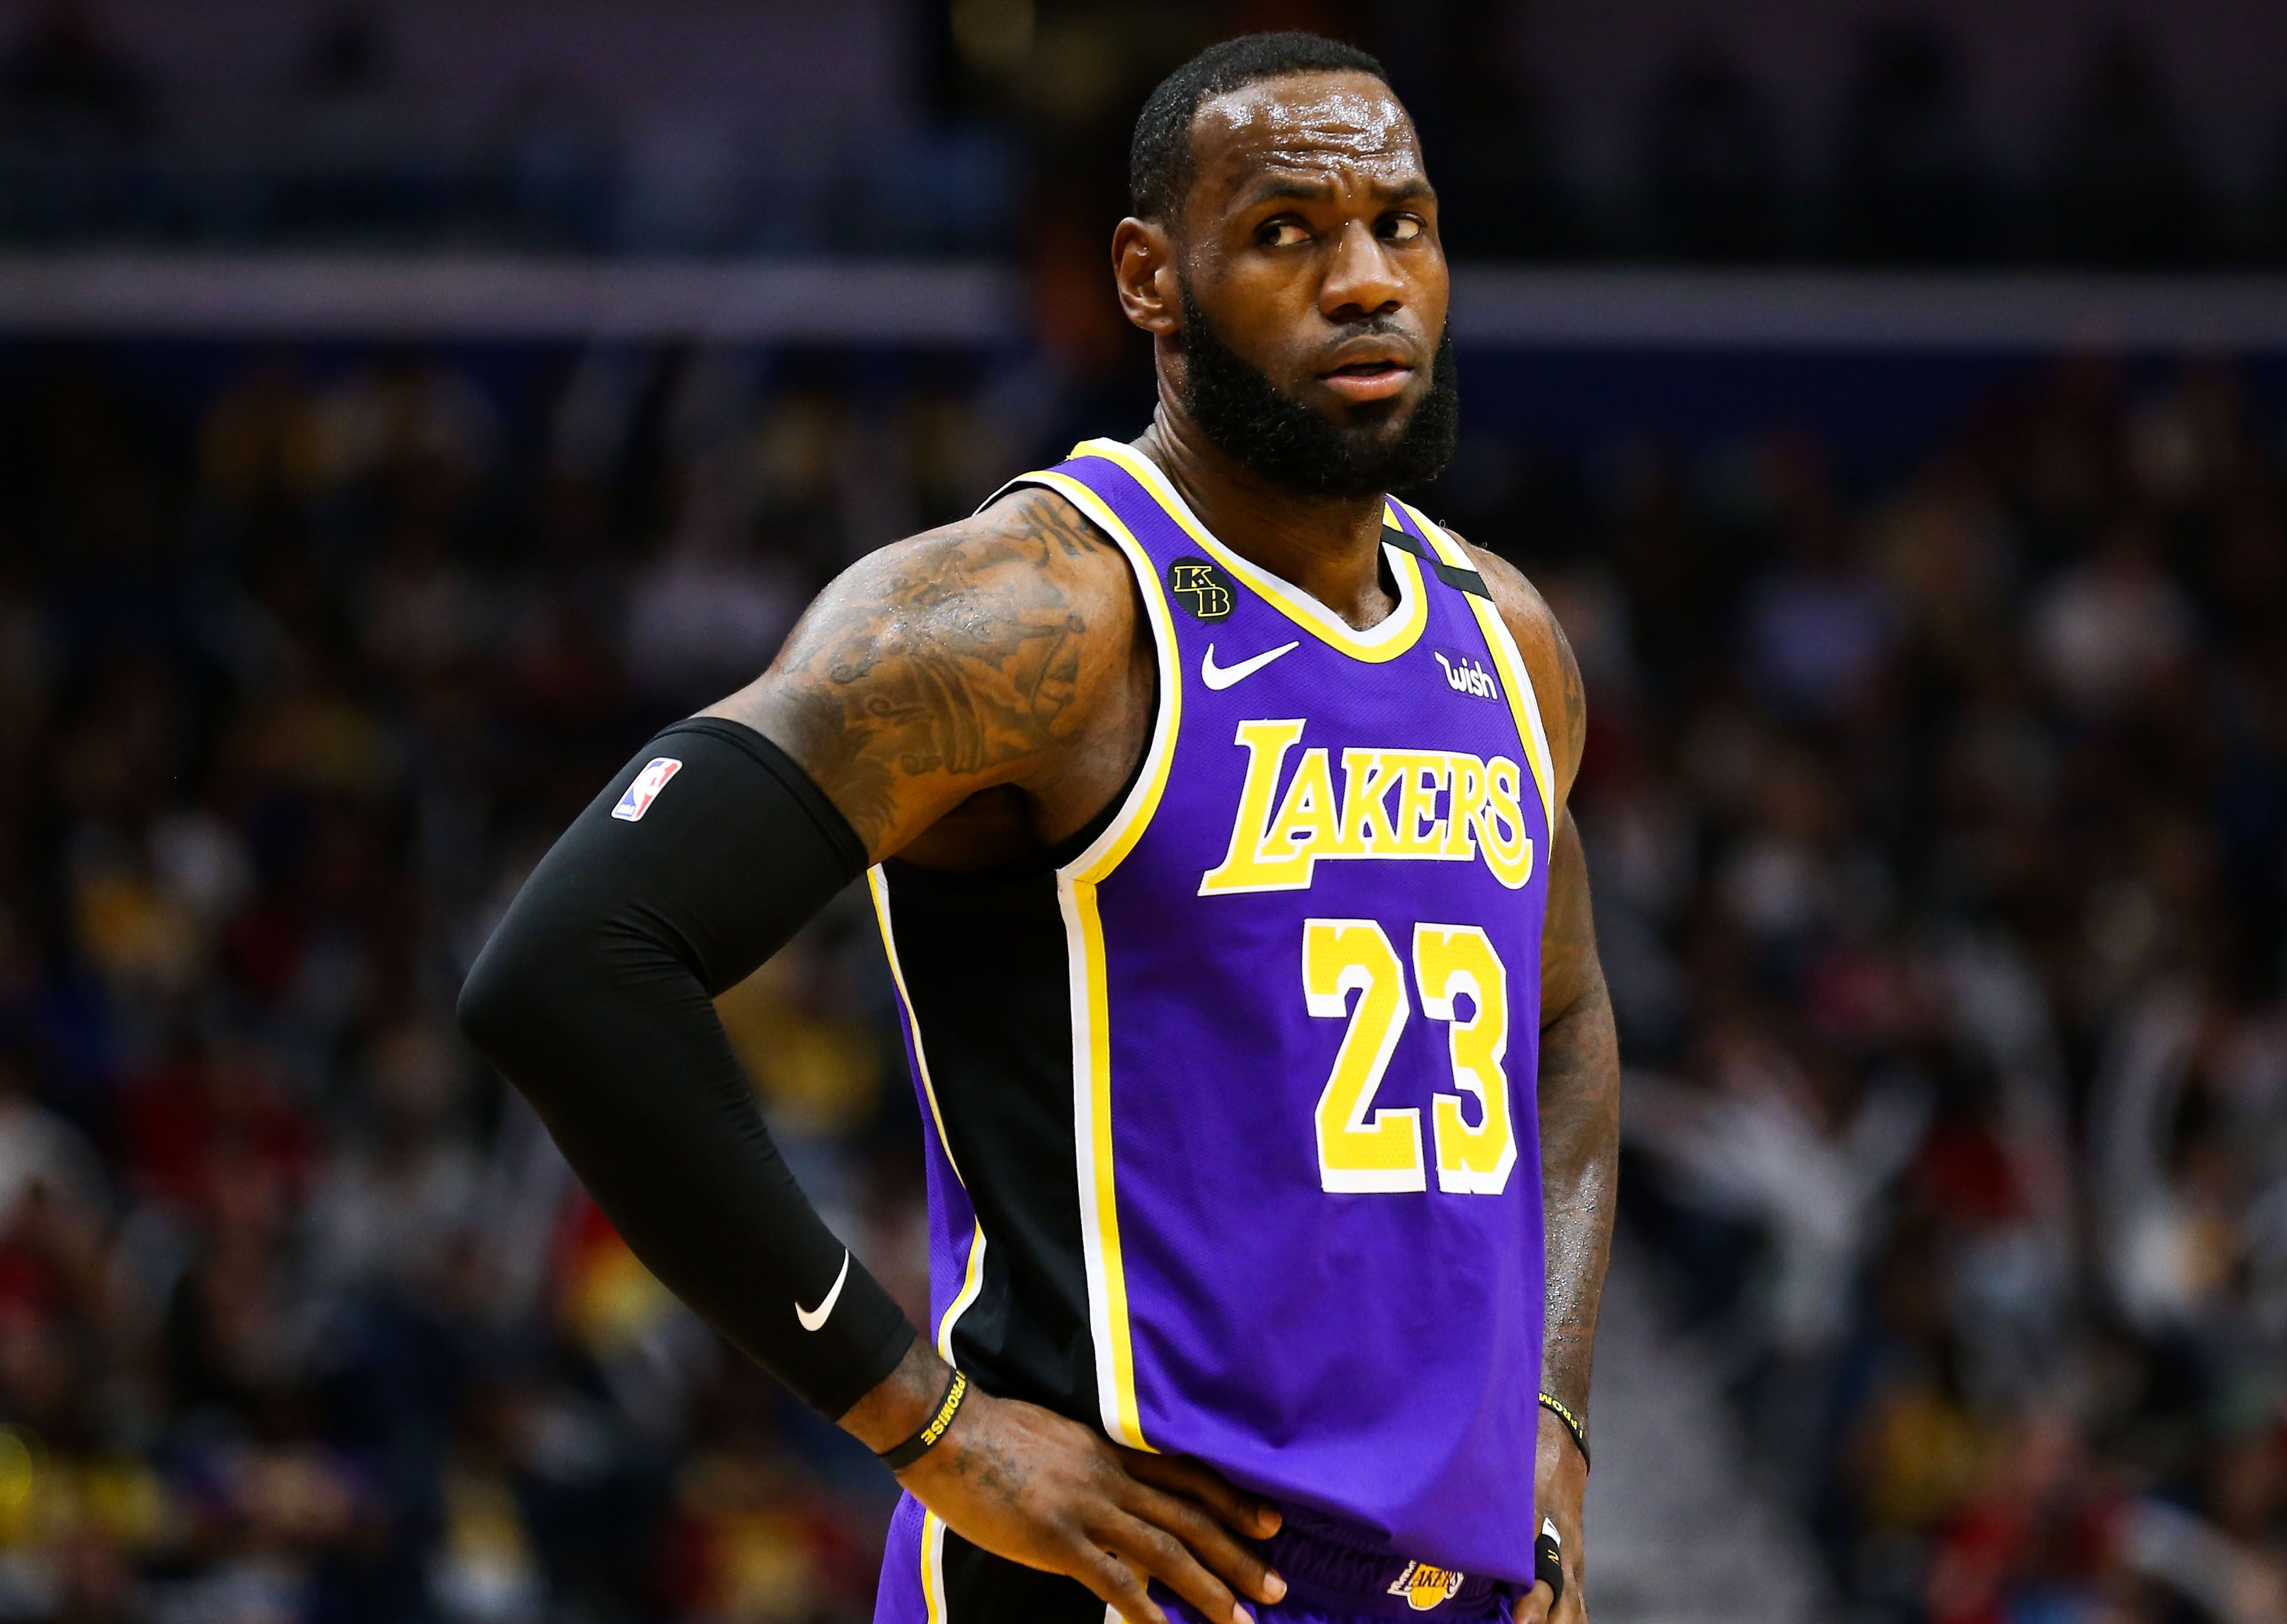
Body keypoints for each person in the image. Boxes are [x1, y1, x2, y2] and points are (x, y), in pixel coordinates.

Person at [459, 31, 1619, 1624]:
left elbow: (1561, 1030)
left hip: (1447, 1590)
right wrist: (917, 1418)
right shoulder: (1031, 616)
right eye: (1288, 232)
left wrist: (1550, 1426)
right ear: (1149, 279)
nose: (1366, 282)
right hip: (1107, 1574)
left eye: (1400, 225)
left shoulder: (1509, 640)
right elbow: (572, 963)